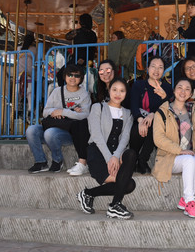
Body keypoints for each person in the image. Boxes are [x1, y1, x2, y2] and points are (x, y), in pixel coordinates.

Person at [77, 78, 137, 220]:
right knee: (128, 184)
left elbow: (125, 138)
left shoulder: (128, 113)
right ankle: (103, 200)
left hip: (116, 154)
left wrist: (115, 156)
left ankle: (107, 201)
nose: (118, 94)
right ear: (109, 90)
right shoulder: (98, 107)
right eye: (114, 90)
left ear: (126, 94)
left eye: (122, 91)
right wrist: (109, 158)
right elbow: (96, 135)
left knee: (131, 154)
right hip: (98, 152)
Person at [152, 78, 195, 218]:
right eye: (180, 87)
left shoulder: (192, 109)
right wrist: (180, 151)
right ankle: (190, 202)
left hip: (188, 156)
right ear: (174, 90)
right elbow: (158, 139)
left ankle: (185, 199)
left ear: (191, 93)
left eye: (187, 89)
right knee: (189, 159)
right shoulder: (163, 111)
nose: (183, 91)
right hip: (169, 158)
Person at [26, 64, 91, 174]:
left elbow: (85, 115)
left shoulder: (84, 94)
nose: (73, 78)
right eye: (70, 75)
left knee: (50, 133)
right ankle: (40, 162)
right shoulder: (57, 91)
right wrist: (55, 112)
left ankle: (57, 160)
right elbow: (45, 111)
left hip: (69, 132)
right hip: (55, 123)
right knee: (31, 130)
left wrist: (63, 112)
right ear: (65, 76)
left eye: (76, 75)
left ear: (81, 78)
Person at [66, 59, 117, 176]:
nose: (105, 73)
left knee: (84, 124)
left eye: (108, 70)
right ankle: (82, 162)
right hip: (101, 121)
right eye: (101, 71)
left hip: (115, 122)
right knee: (80, 123)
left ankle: (83, 163)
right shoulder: (100, 88)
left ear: (114, 71)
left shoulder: (119, 86)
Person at [129, 56, 173, 174]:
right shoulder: (138, 85)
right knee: (137, 130)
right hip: (139, 119)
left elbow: (169, 108)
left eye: (160, 67)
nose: (156, 70)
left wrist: (163, 98)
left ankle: (142, 160)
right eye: (153, 66)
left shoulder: (167, 87)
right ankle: (133, 158)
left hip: (157, 123)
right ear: (147, 69)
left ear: (163, 70)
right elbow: (133, 105)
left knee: (155, 126)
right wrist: (140, 120)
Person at [17, 32, 36, 115]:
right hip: (29, 74)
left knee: (17, 92)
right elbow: (37, 61)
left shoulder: (18, 48)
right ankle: (30, 109)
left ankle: (16, 108)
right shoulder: (34, 49)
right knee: (30, 92)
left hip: (19, 73)